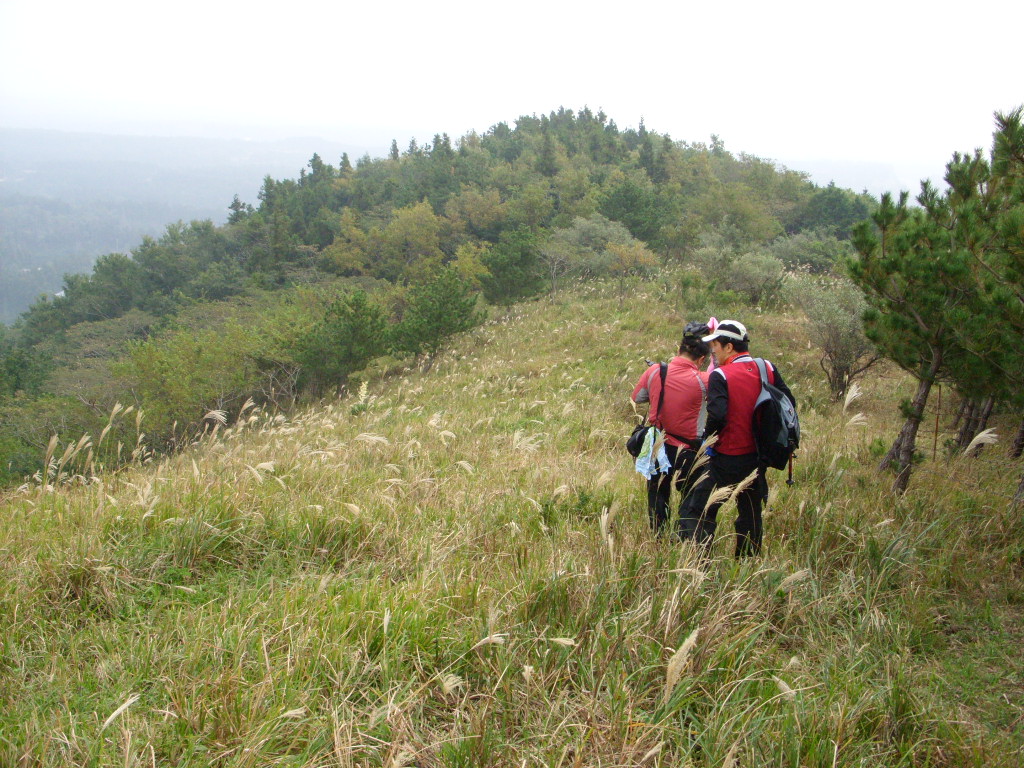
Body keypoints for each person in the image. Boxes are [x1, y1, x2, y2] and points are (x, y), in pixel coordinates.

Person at [678, 320, 796, 557]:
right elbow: (789, 402)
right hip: (758, 458)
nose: (713, 351)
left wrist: (706, 444)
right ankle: (746, 562)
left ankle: (700, 564)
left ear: (729, 347)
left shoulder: (720, 375)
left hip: (726, 457)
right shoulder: (767, 367)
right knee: (751, 514)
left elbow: (718, 415)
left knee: (698, 510)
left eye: (716, 346)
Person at [631, 322, 711, 534]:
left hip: (658, 444)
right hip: (690, 449)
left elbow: (637, 398)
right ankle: (685, 540)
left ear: (679, 349)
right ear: (702, 359)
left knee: (657, 494)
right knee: (690, 498)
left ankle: (659, 538)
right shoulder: (705, 380)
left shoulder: (656, 371)